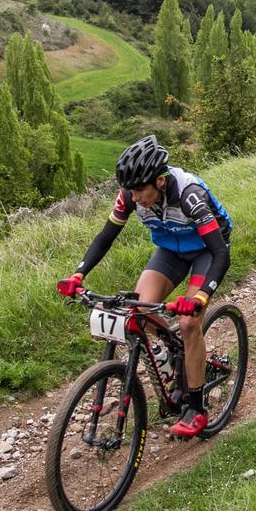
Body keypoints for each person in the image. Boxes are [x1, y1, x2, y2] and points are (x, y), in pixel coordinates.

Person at [56, 135, 231, 438]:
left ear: (160, 182)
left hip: (207, 249)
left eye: (140, 190)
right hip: (170, 250)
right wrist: (78, 275)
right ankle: (178, 352)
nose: (134, 198)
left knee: (189, 322)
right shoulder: (129, 195)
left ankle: (195, 407)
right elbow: (105, 236)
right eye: (131, 190)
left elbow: (220, 254)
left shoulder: (189, 195)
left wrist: (200, 297)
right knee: (138, 310)